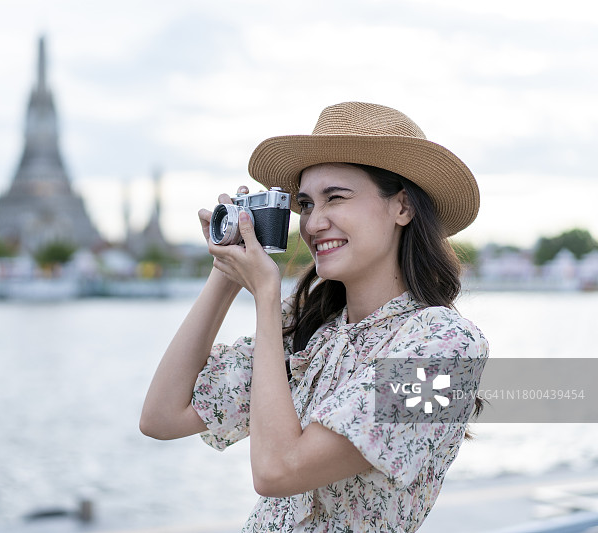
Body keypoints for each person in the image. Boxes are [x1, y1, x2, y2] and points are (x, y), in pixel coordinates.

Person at [140, 101, 489, 532]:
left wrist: (266, 298)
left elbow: (276, 473)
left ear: (403, 207)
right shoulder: (311, 331)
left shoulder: (448, 350)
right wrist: (226, 271)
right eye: (305, 204)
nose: (313, 223)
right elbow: (161, 417)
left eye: (335, 198)